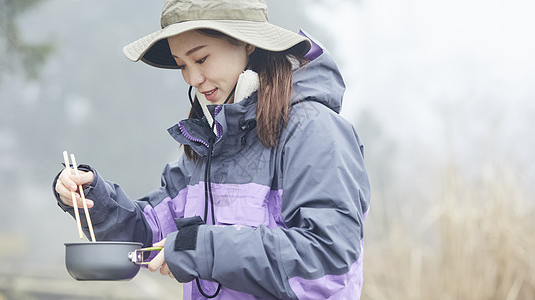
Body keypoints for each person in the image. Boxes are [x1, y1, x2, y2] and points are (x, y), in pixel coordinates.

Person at [53, 0, 370, 299]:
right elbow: (149, 235)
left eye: (201, 59)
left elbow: (328, 264)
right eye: (182, 66)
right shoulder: (208, 142)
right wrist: (92, 198)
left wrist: (201, 248)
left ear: (246, 42)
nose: (194, 78)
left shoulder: (315, 132)